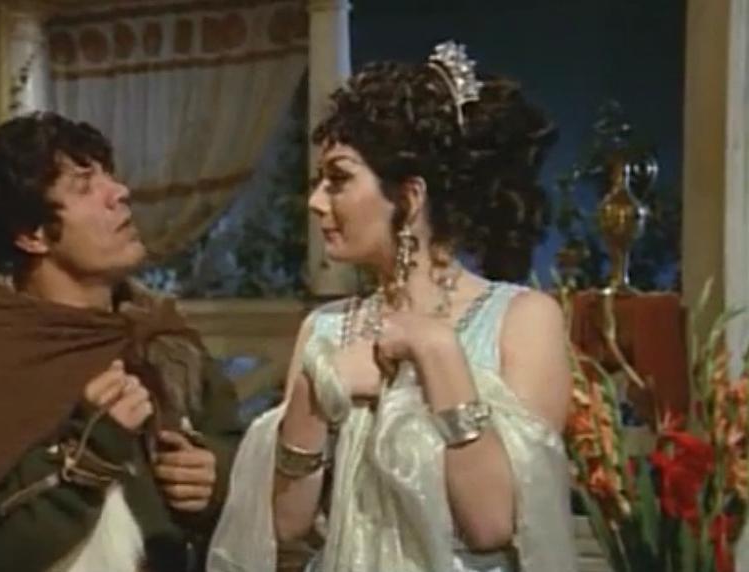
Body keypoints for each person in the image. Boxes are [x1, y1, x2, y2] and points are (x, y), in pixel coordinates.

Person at [208, 41, 577, 571]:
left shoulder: (522, 319)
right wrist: (318, 388)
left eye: (338, 179)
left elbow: (493, 523)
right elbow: (286, 524)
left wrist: (437, 352)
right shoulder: (326, 328)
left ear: (409, 197)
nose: (316, 202)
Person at [0, 111, 243, 572]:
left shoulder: (162, 341)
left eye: (110, 175)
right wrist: (88, 457)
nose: (119, 193)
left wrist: (216, 476)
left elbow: (237, 453)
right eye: (85, 186)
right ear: (32, 235)